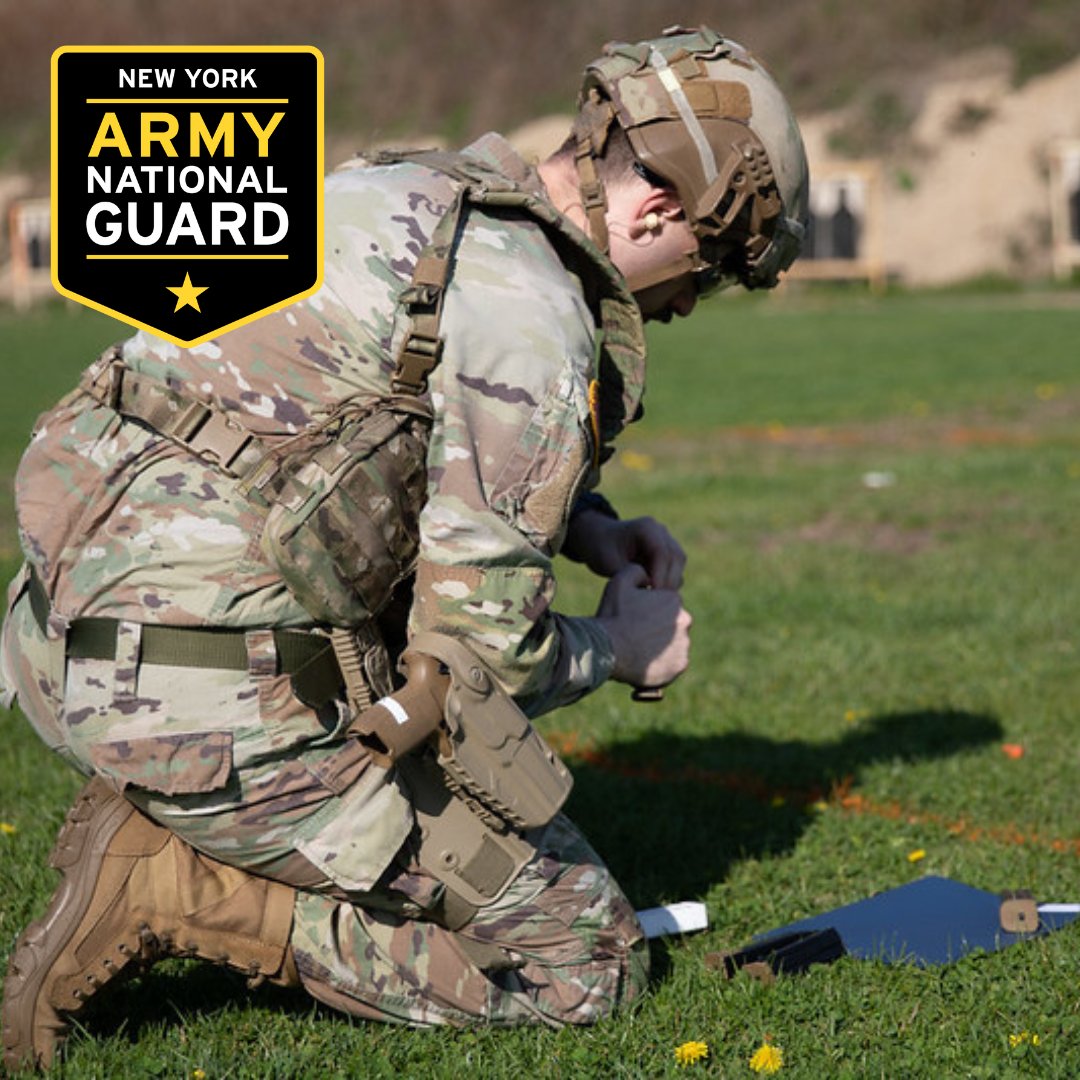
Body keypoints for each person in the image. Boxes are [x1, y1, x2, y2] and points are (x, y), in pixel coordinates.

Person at [0, 26, 807, 1070]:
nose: (686, 303)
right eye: (705, 269)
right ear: (656, 206)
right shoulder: (532, 312)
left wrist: (592, 530)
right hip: (202, 706)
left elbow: (371, 443)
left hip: (58, 646)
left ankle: (191, 805)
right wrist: (623, 649)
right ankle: (180, 885)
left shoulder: (401, 185)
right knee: (584, 964)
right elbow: (481, 656)